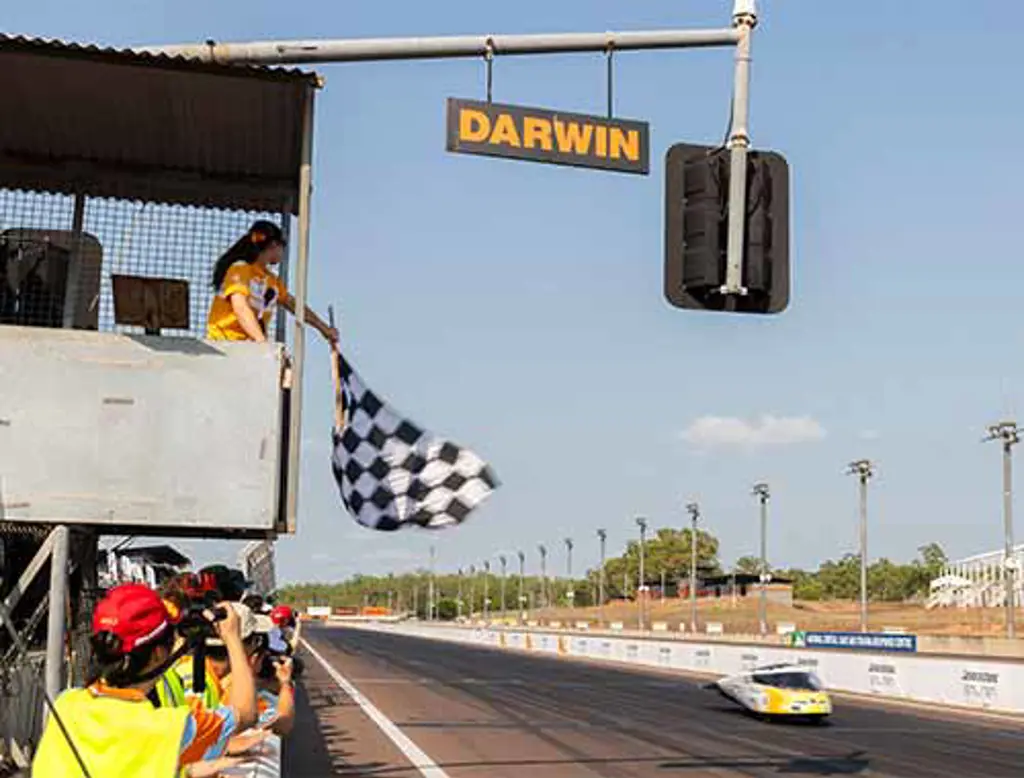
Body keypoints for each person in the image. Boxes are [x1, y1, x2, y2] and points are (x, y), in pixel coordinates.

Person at [31, 583, 257, 778]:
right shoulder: (172, 728)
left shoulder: (66, 704)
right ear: (158, 653)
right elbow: (245, 713)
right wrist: (232, 639)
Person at [206, 220, 338, 345]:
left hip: (249, 346)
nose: (283, 253)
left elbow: (295, 306)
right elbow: (240, 307)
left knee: (286, 369)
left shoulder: (272, 281)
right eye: (283, 247)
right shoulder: (240, 269)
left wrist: (325, 329)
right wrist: (261, 342)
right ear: (274, 245)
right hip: (225, 343)